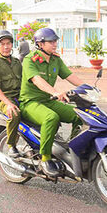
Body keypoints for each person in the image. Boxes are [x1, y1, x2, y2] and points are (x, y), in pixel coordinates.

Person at [19, 28, 84, 178]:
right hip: (30, 102)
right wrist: (55, 92)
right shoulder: (30, 60)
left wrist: (87, 88)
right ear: (40, 44)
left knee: (79, 115)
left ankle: (71, 149)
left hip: (48, 101)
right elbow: (37, 80)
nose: (54, 44)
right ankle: (45, 158)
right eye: (51, 41)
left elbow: (69, 75)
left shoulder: (55, 59)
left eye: (55, 41)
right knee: (51, 118)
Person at [0, 30, 23, 158]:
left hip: (19, 96)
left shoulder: (17, 63)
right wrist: (8, 104)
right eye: (2, 44)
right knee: (14, 114)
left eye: (8, 43)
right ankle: (11, 145)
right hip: (3, 99)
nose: (6, 47)